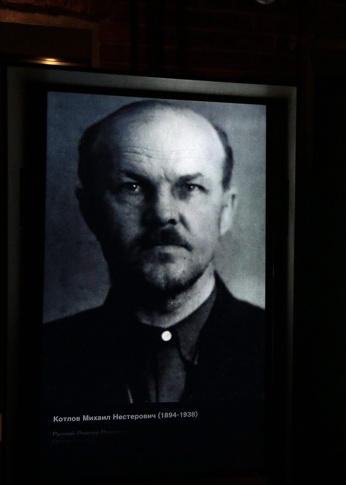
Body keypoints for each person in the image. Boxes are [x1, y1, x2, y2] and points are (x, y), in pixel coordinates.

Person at [42, 100, 266, 406]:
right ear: (90, 210)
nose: (162, 214)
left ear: (225, 211)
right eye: (132, 187)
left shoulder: (285, 346)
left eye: (189, 187)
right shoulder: (43, 356)